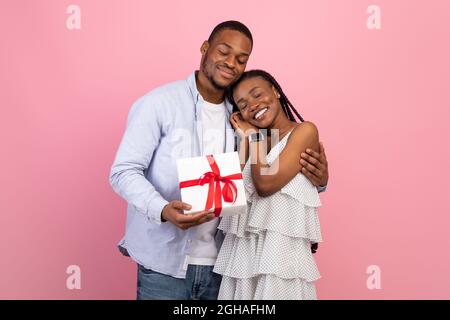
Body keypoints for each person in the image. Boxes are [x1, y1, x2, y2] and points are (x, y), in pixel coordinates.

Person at [109, 21, 329, 300]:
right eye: (224, 51)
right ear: (205, 48)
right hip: (164, 266)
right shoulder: (159, 103)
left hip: (225, 268)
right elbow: (123, 172)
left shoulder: (246, 116)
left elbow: (275, 169)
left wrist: (321, 180)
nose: (231, 63)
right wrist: (163, 209)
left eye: (241, 59)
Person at [214, 70, 323, 300]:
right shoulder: (249, 139)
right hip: (244, 259)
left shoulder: (304, 131)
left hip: (280, 258)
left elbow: (266, 184)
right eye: (243, 104)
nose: (252, 105)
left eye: (257, 95)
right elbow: (230, 194)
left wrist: (253, 138)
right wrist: (247, 139)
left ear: (275, 91)